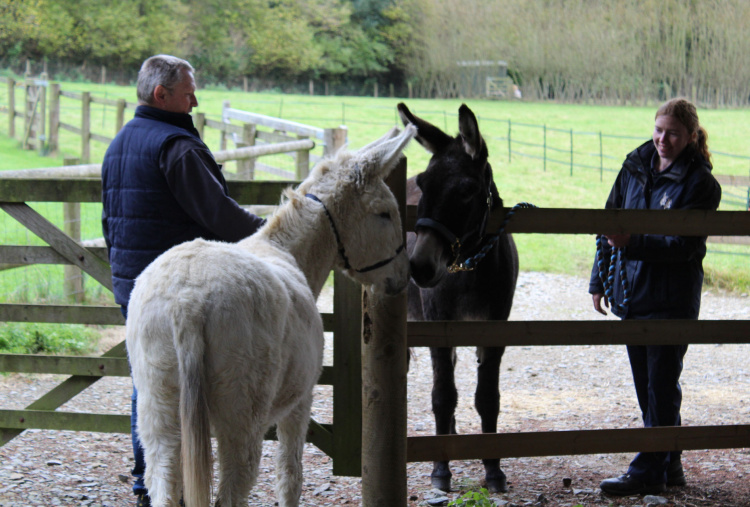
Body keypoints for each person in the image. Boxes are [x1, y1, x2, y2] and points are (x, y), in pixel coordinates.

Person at [101, 54, 265, 507]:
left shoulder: (119, 144)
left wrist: (123, 282)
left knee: (150, 386)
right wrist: (272, 236)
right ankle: (198, 486)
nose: (195, 98)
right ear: (162, 95)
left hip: (135, 291)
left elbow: (109, 223)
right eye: (189, 91)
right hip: (181, 291)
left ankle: (150, 485)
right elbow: (220, 216)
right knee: (211, 382)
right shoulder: (177, 147)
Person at [588, 98, 722, 496]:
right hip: (632, 292)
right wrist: (599, 279)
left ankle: (648, 467)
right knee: (647, 383)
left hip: (672, 298)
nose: (663, 139)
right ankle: (670, 462)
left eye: (674, 134)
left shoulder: (700, 185)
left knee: (661, 384)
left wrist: (633, 243)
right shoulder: (634, 166)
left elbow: (684, 246)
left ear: (691, 137)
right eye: (659, 130)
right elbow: (608, 218)